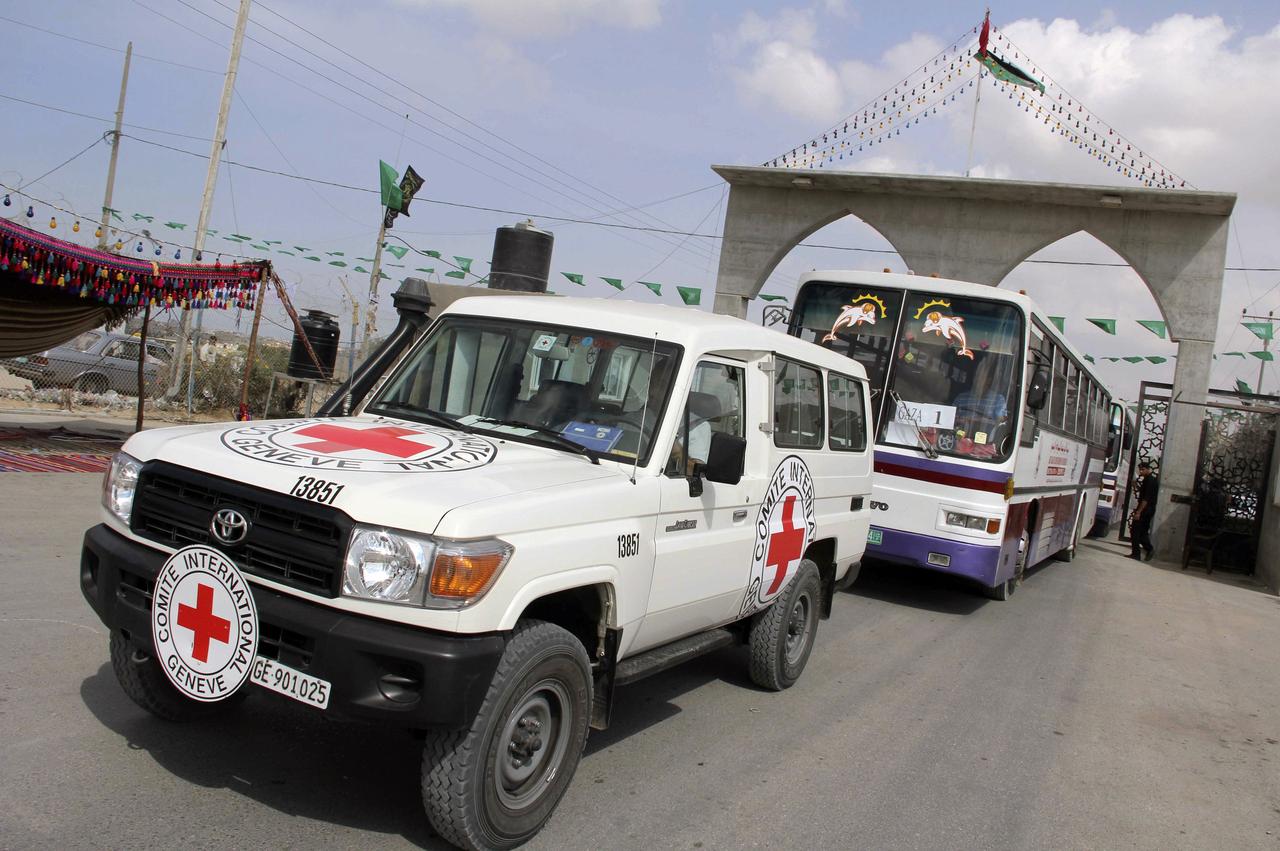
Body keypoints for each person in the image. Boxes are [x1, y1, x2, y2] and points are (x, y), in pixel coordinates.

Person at [1129, 460, 1159, 561]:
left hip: (1145, 510)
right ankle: (1148, 550)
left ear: (1148, 469)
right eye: (1140, 470)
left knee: (1135, 530)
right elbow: (1142, 494)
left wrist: (1138, 512)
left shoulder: (1150, 481)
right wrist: (1135, 486)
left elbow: (1145, 499)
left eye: (1143, 469)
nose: (1141, 471)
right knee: (1142, 532)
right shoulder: (1148, 480)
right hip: (1147, 509)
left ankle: (1137, 553)